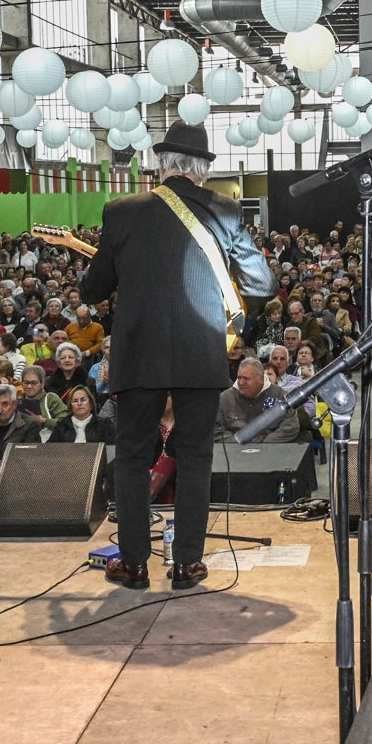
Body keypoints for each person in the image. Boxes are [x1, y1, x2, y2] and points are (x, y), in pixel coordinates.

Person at [79, 121, 273, 591]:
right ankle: (187, 563)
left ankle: (133, 563)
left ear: (161, 166)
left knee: (131, 458)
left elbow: (94, 288)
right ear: (202, 170)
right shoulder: (225, 210)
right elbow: (262, 284)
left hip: (139, 352)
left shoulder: (120, 210)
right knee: (195, 456)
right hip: (199, 352)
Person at [214, 355, 301, 444]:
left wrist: (264, 445)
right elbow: (216, 430)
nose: (241, 383)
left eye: (246, 379)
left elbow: (290, 426)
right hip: (235, 453)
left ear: (261, 379)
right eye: (239, 377)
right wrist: (239, 444)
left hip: (271, 452)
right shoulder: (225, 399)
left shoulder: (279, 395)